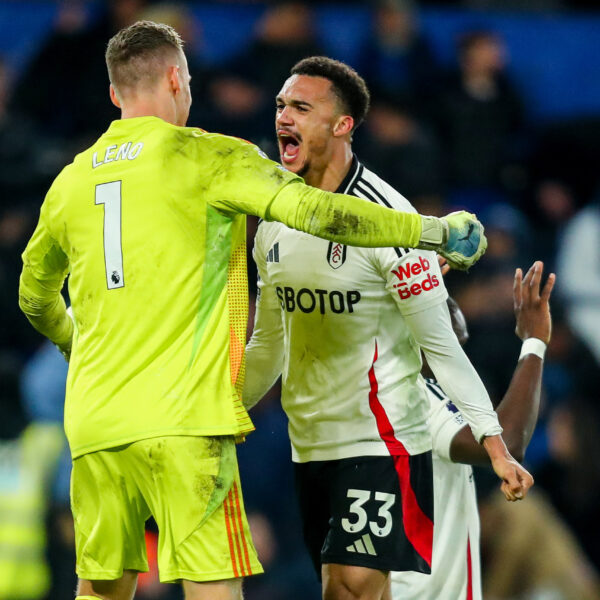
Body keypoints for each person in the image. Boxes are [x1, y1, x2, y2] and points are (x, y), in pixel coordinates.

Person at [17, 22, 486, 600]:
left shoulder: (69, 181)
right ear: (175, 80)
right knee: (213, 587)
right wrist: (431, 231)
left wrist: (74, 344)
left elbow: (33, 297)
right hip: (185, 423)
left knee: (100, 589)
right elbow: (323, 214)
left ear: (116, 94)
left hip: (94, 423)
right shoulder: (210, 157)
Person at [243, 56, 532, 600]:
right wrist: (228, 411)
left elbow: (442, 346)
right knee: (339, 589)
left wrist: (494, 445)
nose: (284, 116)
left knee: (350, 590)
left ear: (342, 124)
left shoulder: (389, 220)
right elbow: (269, 343)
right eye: (281, 105)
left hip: (383, 440)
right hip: (309, 444)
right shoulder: (274, 219)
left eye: (302, 107)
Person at [391, 261, 554, 599]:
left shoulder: (383, 387)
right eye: (436, 298)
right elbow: (508, 444)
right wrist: (535, 341)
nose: (449, 303)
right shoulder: (415, 396)